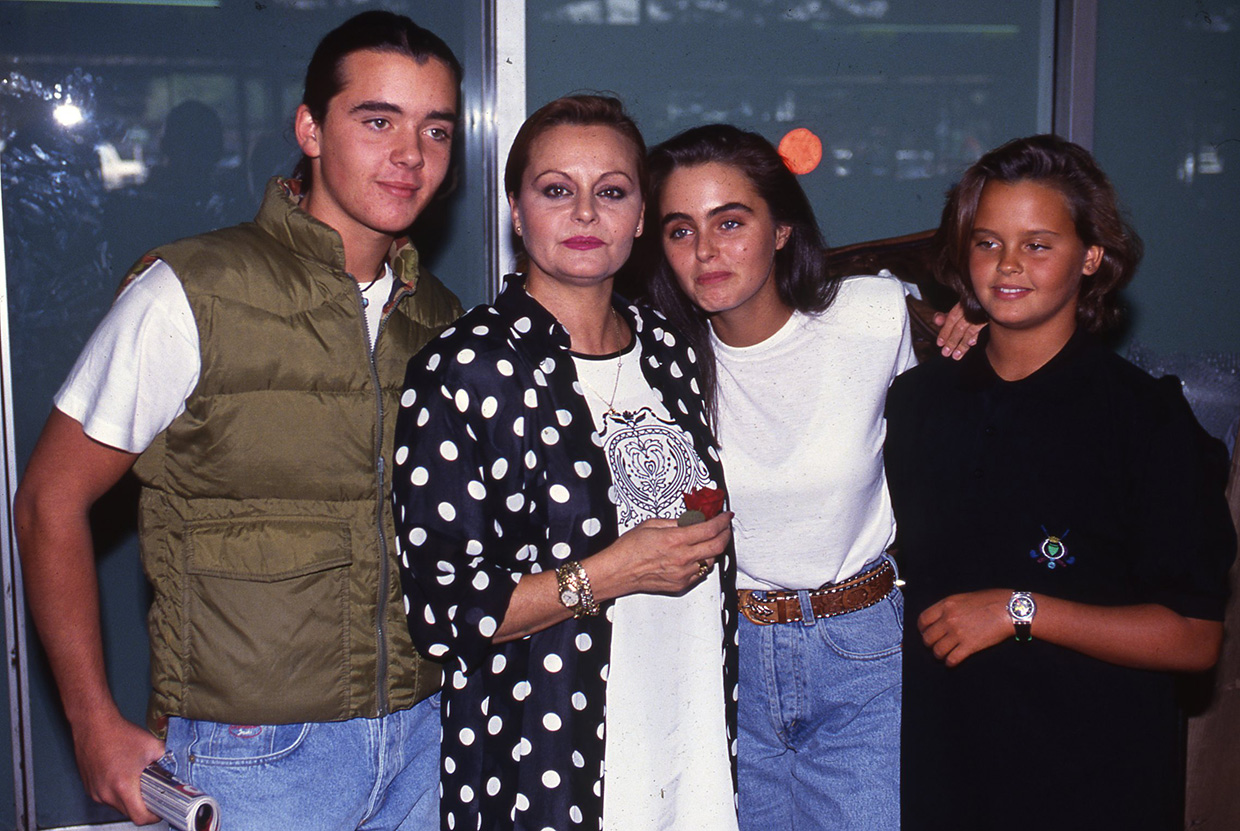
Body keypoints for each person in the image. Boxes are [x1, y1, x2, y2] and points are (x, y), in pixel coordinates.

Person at [13, 12, 464, 828]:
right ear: (309, 129)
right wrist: (89, 722)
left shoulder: (437, 316)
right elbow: (49, 499)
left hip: (423, 737)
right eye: (377, 120)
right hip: (254, 752)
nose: (410, 154)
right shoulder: (192, 291)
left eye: (436, 129)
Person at [392, 95, 738, 831]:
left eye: (611, 192)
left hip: (691, 743)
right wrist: (613, 571)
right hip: (546, 764)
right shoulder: (463, 371)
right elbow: (442, 612)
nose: (586, 213)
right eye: (557, 190)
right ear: (517, 211)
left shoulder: (668, 348)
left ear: (641, 216)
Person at [884, 134, 1235, 830]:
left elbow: (1195, 636)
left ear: (1092, 258)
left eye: (1038, 244)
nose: (1008, 264)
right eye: (987, 243)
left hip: (1093, 777)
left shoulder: (1144, 419)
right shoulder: (918, 402)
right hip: (942, 773)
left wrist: (1020, 608)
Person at [643, 123, 913, 831]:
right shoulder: (658, 366)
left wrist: (969, 328)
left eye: (730, 222)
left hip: (863, 649)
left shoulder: (875, 316)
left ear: (782, 226)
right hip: (725, 656)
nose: (705, 251)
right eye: (680, 230)